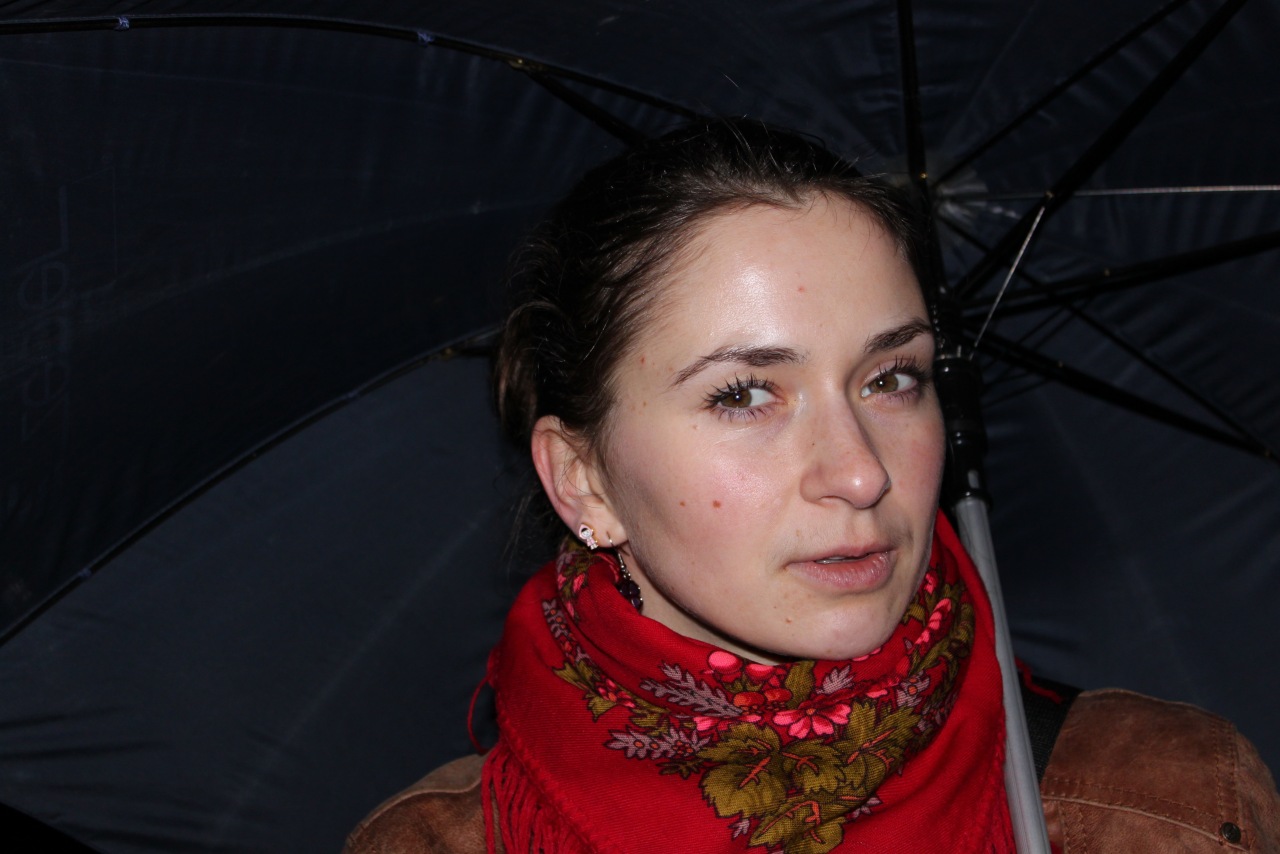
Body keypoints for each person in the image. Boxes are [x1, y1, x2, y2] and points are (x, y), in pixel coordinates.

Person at [345, 121, 1280, 853]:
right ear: (583, 480)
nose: (862, 471)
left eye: (891, 378)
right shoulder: (438, 844)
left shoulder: (1165, 800)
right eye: (745, 394)